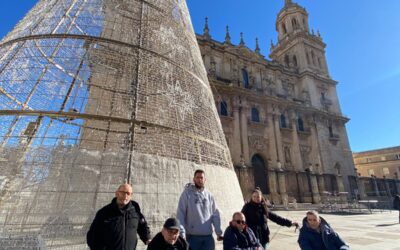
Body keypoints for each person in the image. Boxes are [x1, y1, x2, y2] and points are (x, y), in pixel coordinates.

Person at [87, 183, 151, 250]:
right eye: (123, 193)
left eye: (128, 193)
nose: (125, 196)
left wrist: (147, 239)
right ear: (117, 193)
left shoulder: (135, 210)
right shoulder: (104, 212)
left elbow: (142, 226)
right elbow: (92, 236)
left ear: (131, 196)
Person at [176, 169, 223, 250]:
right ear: (194, 179)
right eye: (197, 177)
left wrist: (218, 232)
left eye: (201, 178)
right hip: (192, 238)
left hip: (208, 238)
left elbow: (215, 214)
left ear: (205, 180)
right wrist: (182, 233)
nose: (199, 180)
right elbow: (181, 213)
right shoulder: (186, 194)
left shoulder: (209, 195)